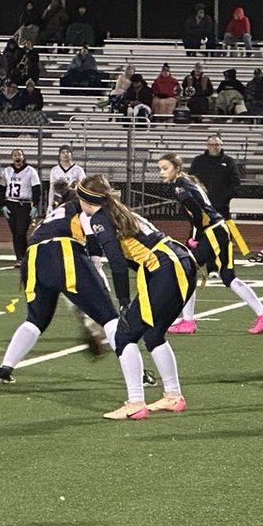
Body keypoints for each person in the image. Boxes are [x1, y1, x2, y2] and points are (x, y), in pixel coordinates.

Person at [0, 177, 142, 421]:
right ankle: (137, 383)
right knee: (110, 318)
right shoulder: (85, 208)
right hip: (61, 252)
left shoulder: (59, 210)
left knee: (36, 319)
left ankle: (4, 368)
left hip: (33, 258)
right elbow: (93, 252)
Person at [78, 174, 195, 415]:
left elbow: (118, 263)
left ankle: (135, 404)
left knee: (123, 336)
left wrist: (123, 302)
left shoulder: (100, 218)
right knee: (153, 334)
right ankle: (173, 396)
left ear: (86, 199)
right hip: (180, 261)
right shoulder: (118, 211)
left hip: (166, 266)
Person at [157, 153, 263, 336]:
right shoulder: (187, 181)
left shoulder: (180, 187)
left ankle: (188, 321)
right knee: (228, 276)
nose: (161, 173)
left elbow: (198, 213)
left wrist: (196, 235)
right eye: (160, 169)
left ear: (177, 168)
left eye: (165, 168)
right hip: (219, 229)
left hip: (211, 232)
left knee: (185, 269)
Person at [2, 149, 41, 267]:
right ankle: (19, 257)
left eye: (19, 155)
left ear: (23, 157)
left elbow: (36, 188)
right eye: (14, 155)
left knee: (21, 231)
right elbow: (2, 188)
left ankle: (23, 257)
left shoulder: (30, 171)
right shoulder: (7, 171)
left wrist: (35, 205)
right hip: (10, 203)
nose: (17, 157)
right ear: (11, 158)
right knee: (15, 233)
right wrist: (3, 204)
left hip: (24, 204)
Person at [189, 135, 241, 218]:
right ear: (207, 146)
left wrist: (226, 197)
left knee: (221, 229)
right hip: (201, 204)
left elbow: (236, 181)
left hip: (221, 205)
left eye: (217, 144)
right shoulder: (198, 161)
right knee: (200, 228)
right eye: (211, 145)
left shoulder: (229, 161)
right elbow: (191, 179)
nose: (214, 147)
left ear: (221, 145)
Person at [47, 147, 85, 215]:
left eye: (67, 152)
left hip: (73, 198)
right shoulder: (54, 170)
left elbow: (83, 185)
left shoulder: (78, 169)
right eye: (63, 152)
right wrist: (50, 205)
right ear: (59, 155)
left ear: (71, 154)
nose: (65, 154)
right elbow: (52, 188)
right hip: (59, 198)